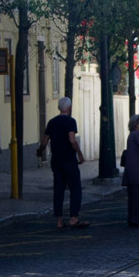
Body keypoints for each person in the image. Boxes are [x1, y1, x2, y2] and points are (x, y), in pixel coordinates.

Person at [38, 96, 88, 229]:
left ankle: (59, 221)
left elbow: (44, 141)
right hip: (69, 160)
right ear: (69, 108)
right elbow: (72, 139)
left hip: (56, 160)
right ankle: (73, 218)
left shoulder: (52, 122)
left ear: (59, 108)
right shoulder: (71, 121)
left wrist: (39, 151)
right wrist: (79, 153)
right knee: (75, 188)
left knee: (58, 190)